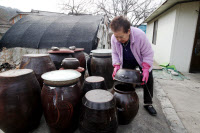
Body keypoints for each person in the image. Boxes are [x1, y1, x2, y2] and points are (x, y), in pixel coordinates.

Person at [110, 16, 157, 116]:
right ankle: (128, 102)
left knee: (148, 79)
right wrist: (116, 65)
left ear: (128, 31)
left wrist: (145, 69)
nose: (118, 39)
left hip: (140, 59)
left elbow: (148, 53)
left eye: (121, 36)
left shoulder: (140, 35)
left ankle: (148, 103)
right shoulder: (114, 38)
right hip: (126, 59)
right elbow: (114, 53)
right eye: (116, 36)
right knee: (126, 80)